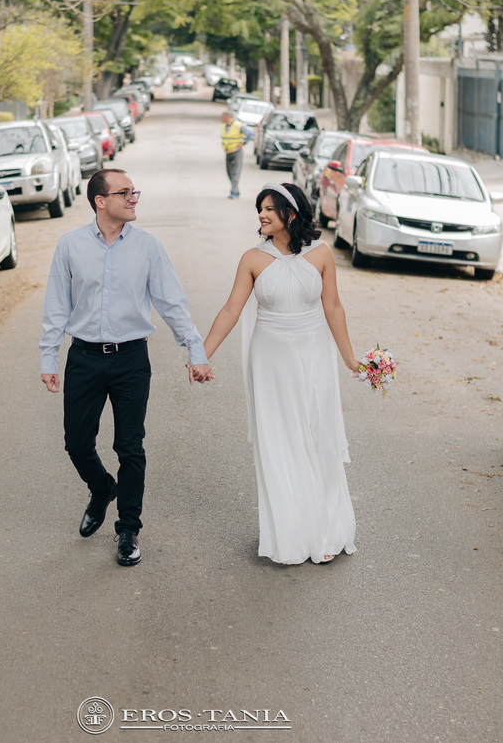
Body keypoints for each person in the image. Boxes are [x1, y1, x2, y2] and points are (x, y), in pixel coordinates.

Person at [40, 168, 214, 567]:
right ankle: (102, 489)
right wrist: (49, 357)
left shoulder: (148, 247)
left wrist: (196, 350)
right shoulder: (69, 246)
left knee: (130, 446)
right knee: (77, 443)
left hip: (132, 358)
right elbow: (56, 306)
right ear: (100, 201)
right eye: (124, 193)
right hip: (83, 357)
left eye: (135, 192)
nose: (134, 198)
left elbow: (172, 303)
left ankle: (128, 529)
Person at [202, 182, 359, 565]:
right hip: (270, 360)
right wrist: (200, 355)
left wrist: (352, 361)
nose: (262, 214)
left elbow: (334, 308)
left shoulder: (321, 255)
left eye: (270, 208)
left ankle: (322, 530)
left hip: (313, 355)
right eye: (260, 209)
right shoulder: (252, 259)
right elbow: (230, 311)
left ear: (291, 213)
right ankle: (287, 533)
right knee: (280, 442)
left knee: (315, 437)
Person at [220, 111, 250, 199]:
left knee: (235, 173)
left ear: (227, 117)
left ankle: (233, 192)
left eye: (223, 117)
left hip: (237, 152)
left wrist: (243, 143)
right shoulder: (224, 127)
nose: (221, 119)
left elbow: (250, 133)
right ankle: (236, 190)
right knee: (229, 173)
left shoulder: (238, 125)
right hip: (228, 152)